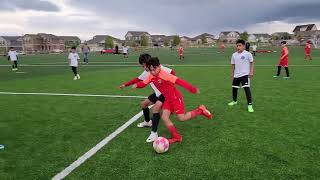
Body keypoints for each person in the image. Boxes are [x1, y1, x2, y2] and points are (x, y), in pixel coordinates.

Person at [133, 57, 213, 144]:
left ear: (159, 66)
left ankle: (200, 110)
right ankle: (177, 137)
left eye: (154, 69)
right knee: (164, 117)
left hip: (175, 98)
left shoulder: (165, 75)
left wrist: (192, 89)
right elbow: (144, 83)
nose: (153, 72)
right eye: (150, 70)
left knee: (181, 118)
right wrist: (137, 85)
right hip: (167, 99)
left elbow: (180, 82)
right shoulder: (151, 76)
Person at [119, 54, 175, 142]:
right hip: (158, 94)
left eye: (143, 66)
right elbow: (138, 79)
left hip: (166, 93)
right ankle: (148, 122)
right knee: (144, 104)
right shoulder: (147, 72)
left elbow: (172, 72)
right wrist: (125, 85)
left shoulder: (160, 68)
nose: (143, 68)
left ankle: (154, 133)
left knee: (155, 110)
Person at [228, 39, 255, 113]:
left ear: (243, 46)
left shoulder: (248, 54)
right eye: (237, 46)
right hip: (236, 75)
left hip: (245, 75)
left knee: (247, 89)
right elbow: (233, 65)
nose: (238, 47)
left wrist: (251, 72)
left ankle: (250, 105)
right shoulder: (234, 55)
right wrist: (232, 74)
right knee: (234, 89)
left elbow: (252, 63)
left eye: (239, 45)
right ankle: (234, 101)